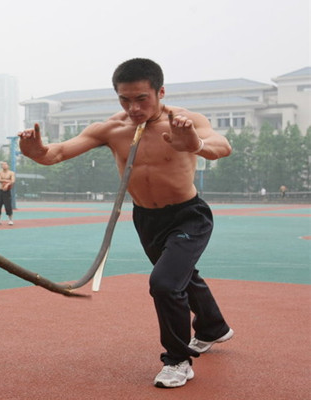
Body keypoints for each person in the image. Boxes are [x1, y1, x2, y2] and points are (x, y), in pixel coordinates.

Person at [19, 58, 234, 388]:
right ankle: (213, 327)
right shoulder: (111, 128)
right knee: (181, 277)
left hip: (188, 215)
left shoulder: (185, 122)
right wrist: (35, 151)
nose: (133, 107)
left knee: (164, 283)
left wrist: (195, 144)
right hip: (146, 219)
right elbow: (57, 153)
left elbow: (222, 147)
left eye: (141, 98)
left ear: (160, 92)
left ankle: (177, 360)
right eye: (124, 99)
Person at [0, 161, 15, 225]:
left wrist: (7, 184)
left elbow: (13, 181)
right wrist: (8, 180)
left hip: (7, 192)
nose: (4, 165)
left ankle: (10, 220)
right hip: (0, 191)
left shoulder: (11, 173)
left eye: (5, 164)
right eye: (2, 165)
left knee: (8, 205)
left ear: (8, 165)